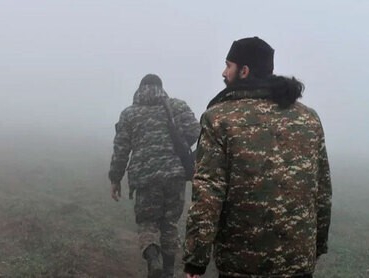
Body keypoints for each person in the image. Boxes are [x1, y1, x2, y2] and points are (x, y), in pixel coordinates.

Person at [183, 37, 332, 278]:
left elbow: (208, 193)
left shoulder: (219, 118)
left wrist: (195, 260)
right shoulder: (308, 118)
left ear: (244, 71)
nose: (224, 72)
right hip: (297, 261)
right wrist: (316, 246)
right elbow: (322, 190)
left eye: (228, 65)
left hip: (243, 264)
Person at [109, 74, 200, 278]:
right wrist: (179, 143)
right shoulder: (177, 106)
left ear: (140, 89)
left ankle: (152, 258)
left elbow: (121, 150)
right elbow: (197, 131)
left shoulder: (129, 114)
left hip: (145, 178)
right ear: (161, 88)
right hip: (175, 175)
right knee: (170, 225)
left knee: (147, 222)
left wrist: (115, 179)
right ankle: (168, 273)